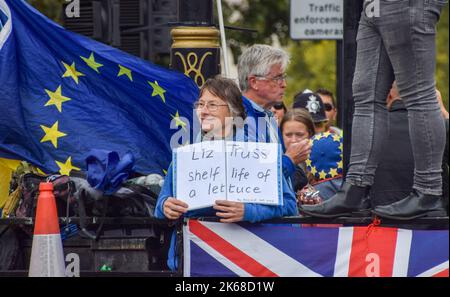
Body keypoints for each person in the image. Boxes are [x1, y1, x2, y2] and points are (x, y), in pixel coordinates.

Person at [300, 1, 448, 220]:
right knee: (365, 97)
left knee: (417, 94)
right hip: (372, 5)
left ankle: (427, 190)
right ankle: (355, 190)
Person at [155, 76, 298, 270]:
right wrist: (165, 206)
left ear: (233, 111)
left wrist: (248, 211)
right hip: (196, 260)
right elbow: (163, 202)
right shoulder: (185, 154)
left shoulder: (258, 152)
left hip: (248, 259)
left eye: (212, 105)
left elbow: (289, 205)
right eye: (201, 104)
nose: (203, 111)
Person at [237, 44, 311, 183]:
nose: (284, 84)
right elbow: (252, 178)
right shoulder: (239, 120)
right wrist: (290, 159)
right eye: (277, 78)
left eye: (283, 77)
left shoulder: (267, 116)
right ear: (254, 82)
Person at [279, 109, 315, 193]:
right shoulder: (276, 162)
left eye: (299, 135)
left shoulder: (321, 160)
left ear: (310, 134)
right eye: (288, 135)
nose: (293, 140)